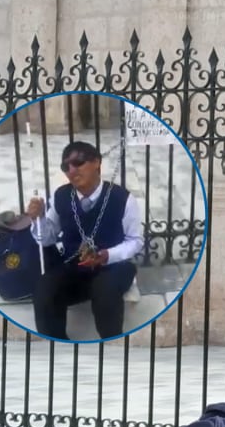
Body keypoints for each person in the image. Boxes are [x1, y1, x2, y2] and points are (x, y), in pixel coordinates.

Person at [25, 141, 144, 341]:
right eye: (66, 166)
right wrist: (39, 219)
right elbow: (46, 239)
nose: (72, 170)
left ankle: (111, 345)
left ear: (96, 162)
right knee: (45, 288)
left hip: (113, 267)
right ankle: (56, 345)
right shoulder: (61, 196)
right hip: (75, 267)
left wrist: (107, 255)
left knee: (105, 291)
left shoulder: (122, 198)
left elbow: (135, 241)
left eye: (78, 162)